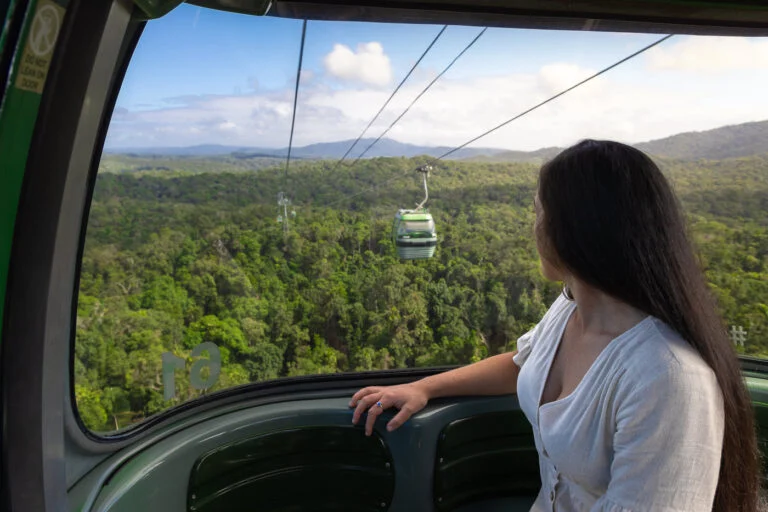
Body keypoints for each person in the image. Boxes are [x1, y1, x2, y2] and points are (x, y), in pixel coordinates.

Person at [349, 140, 760, 511]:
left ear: (579, 228)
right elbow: (523, 363)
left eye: (538, 213)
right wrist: (424, 387)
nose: (534, 228)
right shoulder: (569, 307)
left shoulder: (667, 379)